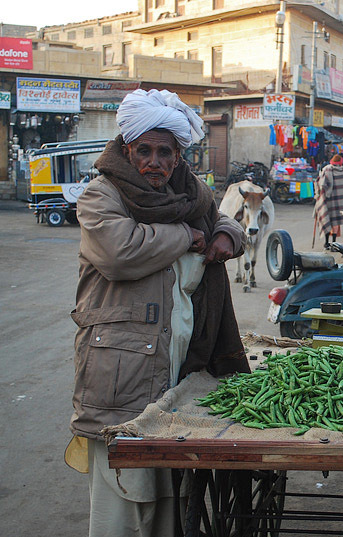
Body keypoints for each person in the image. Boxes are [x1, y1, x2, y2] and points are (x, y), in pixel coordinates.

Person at [67, 88, 250, 537]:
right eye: (144, 151)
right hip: (121, 370)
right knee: (124, 505)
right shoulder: (101, 195)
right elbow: (120, 252)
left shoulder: (190, 192)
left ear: (178, 156)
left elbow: (221, 217)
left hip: (180, 369)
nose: (154, 162)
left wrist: (227, 235)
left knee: (173, 498)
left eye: (164, 152)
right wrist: (188, 237)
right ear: (127, 151)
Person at [314, 153, 343, 247]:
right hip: (340, 200)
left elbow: (321, 184)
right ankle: (334, 242)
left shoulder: (326, 169)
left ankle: (326, 242)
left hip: (328, 200)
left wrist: (318, 194)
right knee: (336, 222)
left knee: (327, 219)